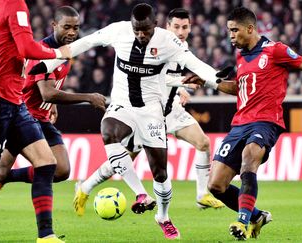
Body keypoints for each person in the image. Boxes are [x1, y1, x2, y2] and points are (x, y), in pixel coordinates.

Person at [30, 3, 223, 240]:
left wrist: (216, 78)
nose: (141, 35)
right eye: (136, 30)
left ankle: (163, 216)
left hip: (151, 111)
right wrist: (48, 62)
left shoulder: (168, 42)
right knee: (108, 130)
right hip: (122, 104)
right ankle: (141, 194)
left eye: (145, 31)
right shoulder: (119, 30)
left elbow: (196, 64)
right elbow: (85, 42)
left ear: (154, 26)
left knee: (160, 173)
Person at [183, 6, 302, 241]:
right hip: (239, 123)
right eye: (228, 31)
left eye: (234, 30)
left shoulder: (275, 50)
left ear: (250, 29)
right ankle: (257, 216)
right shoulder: (241, 55)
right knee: (216, 186)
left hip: (266, 122)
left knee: (249, 159)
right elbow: (240, 89)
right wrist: (210, 82)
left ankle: (242, 221)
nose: (230, 36)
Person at [0, 6, 106, 241]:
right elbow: (45, 89)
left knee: (56, 168)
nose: (71, 32)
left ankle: (45, 235)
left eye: (75, 28)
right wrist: (87, 97)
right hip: (8, 106)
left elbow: (48, 90)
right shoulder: (45, 46)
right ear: (54, 26)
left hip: (25, 111)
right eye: (66, 27)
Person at [72, 8, 225, 220]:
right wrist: (182, 84)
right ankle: (85, 187)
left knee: (203, 143)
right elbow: (157, 77)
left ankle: (201, 194)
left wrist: (187, 83)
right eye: (176, 27)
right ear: (165, 27)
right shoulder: (158, 44)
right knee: (123, 161)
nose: (181, 32)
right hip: (148, 112)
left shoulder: (181, 48)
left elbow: (169, 76)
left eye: (185, 27)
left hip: (171, 111)